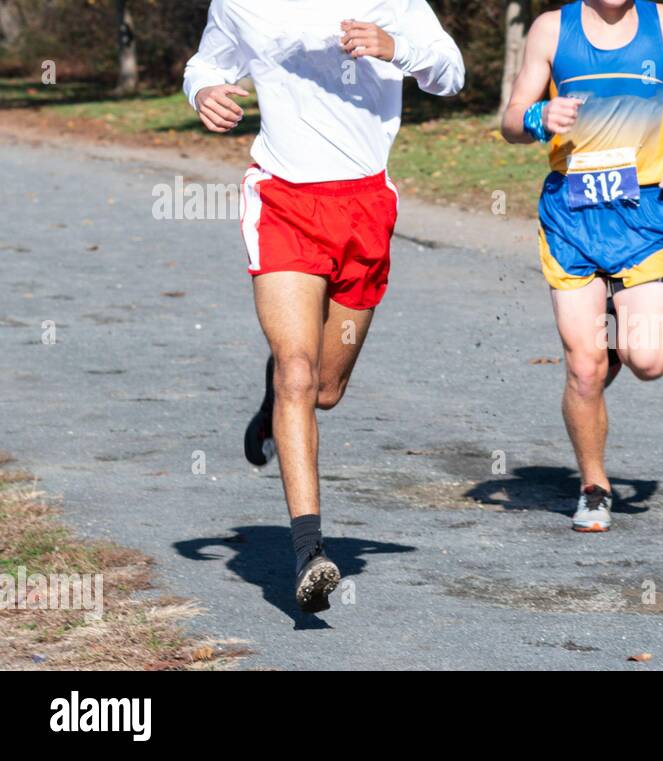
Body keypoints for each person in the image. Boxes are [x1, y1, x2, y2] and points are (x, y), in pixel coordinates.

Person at [182, 0, 464, 612]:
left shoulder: (396, 3)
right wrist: (203, 90)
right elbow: (205, 63)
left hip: (364, 206)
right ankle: (310, 549)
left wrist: (398, 49)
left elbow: (452, 73)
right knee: (299, 373)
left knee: (324, 389)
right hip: (282, 199)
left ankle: (281, 386)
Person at [500, 0, 663, 532]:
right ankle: (594, 486)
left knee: (650, 360)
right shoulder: (551, 29)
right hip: (570, 216)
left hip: (641, 214)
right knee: (582, 368)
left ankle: (613, 351)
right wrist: (536, 116)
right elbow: (510, 121)